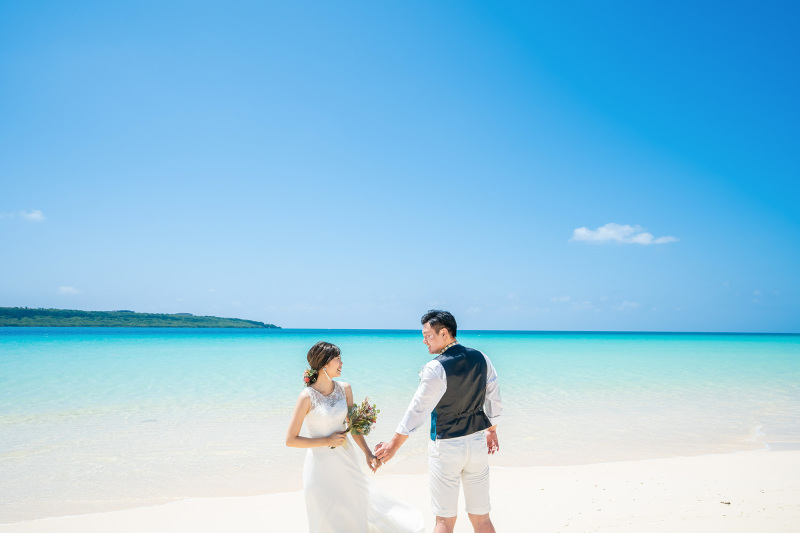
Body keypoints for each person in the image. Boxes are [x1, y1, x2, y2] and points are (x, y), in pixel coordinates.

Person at [375, 310, 502, 533]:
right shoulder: (482, 358)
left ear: (444, 333)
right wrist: (491, 430)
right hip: (476, 444)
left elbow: (417, 410)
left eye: (428, 335)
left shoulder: (436, 367)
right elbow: (494, 397)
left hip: (447, 447)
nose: (424, 341)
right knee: (482, 518)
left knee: (444, 520)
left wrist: (393, 445)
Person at [286, 341, 425, 533]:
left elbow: (353, 427)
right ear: (325, 363)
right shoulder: (307, 396)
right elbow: (291, 440)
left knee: (354, 507)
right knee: (325, 515)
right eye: (338, 359)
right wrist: (327, 441)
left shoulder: (344, 389)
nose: (342, 363)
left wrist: (368, 453)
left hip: (346, 460)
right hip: (319, 466)